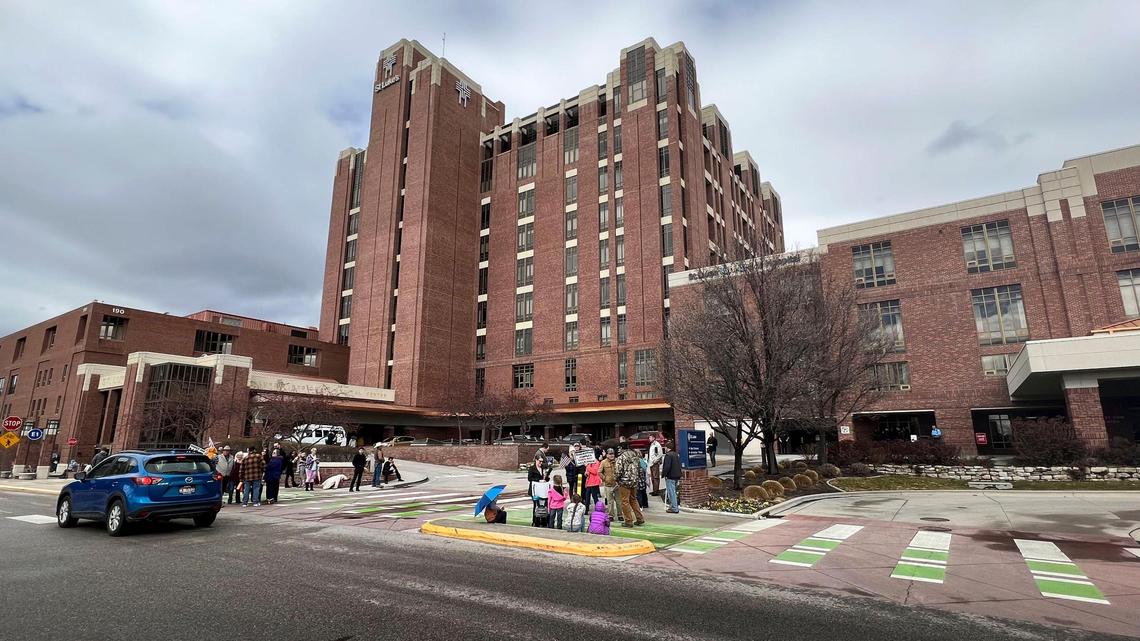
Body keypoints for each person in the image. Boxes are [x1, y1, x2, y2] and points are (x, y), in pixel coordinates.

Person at [616, 445, 645, 527]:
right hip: (634, 481)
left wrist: (617, 479)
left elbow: (618, 470)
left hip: (624, 482)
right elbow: (640, 469)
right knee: (633, 499)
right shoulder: (635, 456)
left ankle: (628, 521)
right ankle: (640, 518)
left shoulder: (621, 457)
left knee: (625, 501)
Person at [598, 448, 619, 521]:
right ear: (607, 455)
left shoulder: (617, 461)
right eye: (610, 454)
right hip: (608, 485)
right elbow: (599, 472)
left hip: (617, 484)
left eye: (612, 454)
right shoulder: (603, 462)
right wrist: (605, 478)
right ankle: (611, 515)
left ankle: (620, 515)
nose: (611, 455)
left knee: (619, 501)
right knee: (610, 501)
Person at [662, 441, 682, 513]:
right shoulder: (675, 454)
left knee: (671, 493)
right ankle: (672, 506)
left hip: (670, 476)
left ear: (667, 448)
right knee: (673, 492)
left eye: (665, 447)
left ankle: (674, 508)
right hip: (677, 475)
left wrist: (664, 474)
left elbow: (667, 467)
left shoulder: (668, 455)